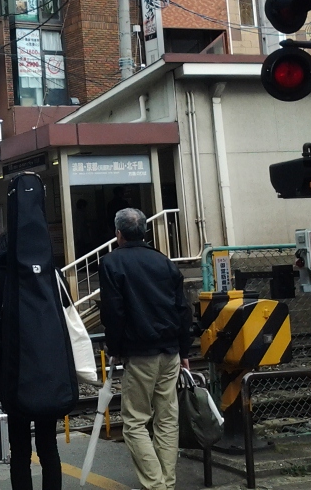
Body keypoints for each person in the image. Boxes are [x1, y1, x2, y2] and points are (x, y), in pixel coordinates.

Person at [98, 208, 192, 490]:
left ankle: (156, 485)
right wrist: (185, 351)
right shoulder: (164, 262)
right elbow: (183, 310)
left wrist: (114, 347)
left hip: (139, 353)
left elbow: (113, 313)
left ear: (118, 234)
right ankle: (167, 482)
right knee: (166, 420)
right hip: (171, 352)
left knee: (135, 423)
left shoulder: (111, 263)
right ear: (145, 232)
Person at [0, 234, 63, 490]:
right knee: (49, 446)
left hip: (13, 375)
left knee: (19, 451)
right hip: (48, 372)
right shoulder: (49, 274)